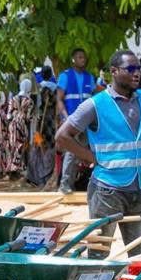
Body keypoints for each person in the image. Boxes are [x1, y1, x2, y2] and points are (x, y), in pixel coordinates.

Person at [56, 49, 141, 256]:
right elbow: (62, 137)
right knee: (98, 254)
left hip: (139, 189)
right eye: (130, 69)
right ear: (114, 71)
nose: (137, 73)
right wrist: (92, 158)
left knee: (140, 256)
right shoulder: (95, 104)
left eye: (138, 68)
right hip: (106, 190)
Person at [56, 48, 96, 194]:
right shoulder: (65, 76)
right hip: (72, 121)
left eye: (84, 57)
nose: (82, 60)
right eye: (79, 57)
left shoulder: (89, 77)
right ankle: (65, 184)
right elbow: (59, 99)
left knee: (85, 153)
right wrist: (66, 118)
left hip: (87, 121)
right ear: (73, 59)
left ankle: (74, 184)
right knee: (72, 152)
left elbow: (93, 96)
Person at [27, 66, 57, 187]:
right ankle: (47, 174)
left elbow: (36, 106)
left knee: (39, 146)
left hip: (40, 121)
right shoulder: (55, 88)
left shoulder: (38, 88)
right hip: (51, 120)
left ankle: (38, 175)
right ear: (50, 75)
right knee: (49, 147)